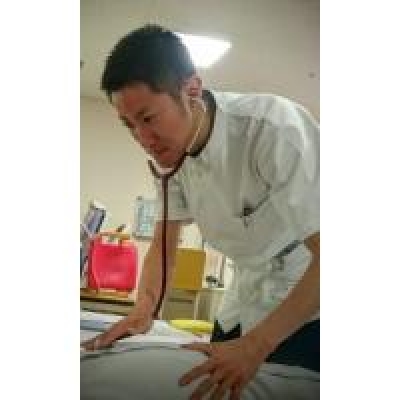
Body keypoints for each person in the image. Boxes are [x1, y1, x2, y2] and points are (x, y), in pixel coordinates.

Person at [82, 24, 320, 400]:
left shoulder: (272, 129)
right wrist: (144, 310)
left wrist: (255, 346)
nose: (142, 139)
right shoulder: (171, 158)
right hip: (244, 294)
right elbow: (164, 244)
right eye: (129, 126)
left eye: (148, 118)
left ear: (191, 89)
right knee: (213, 387)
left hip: (307, 297)